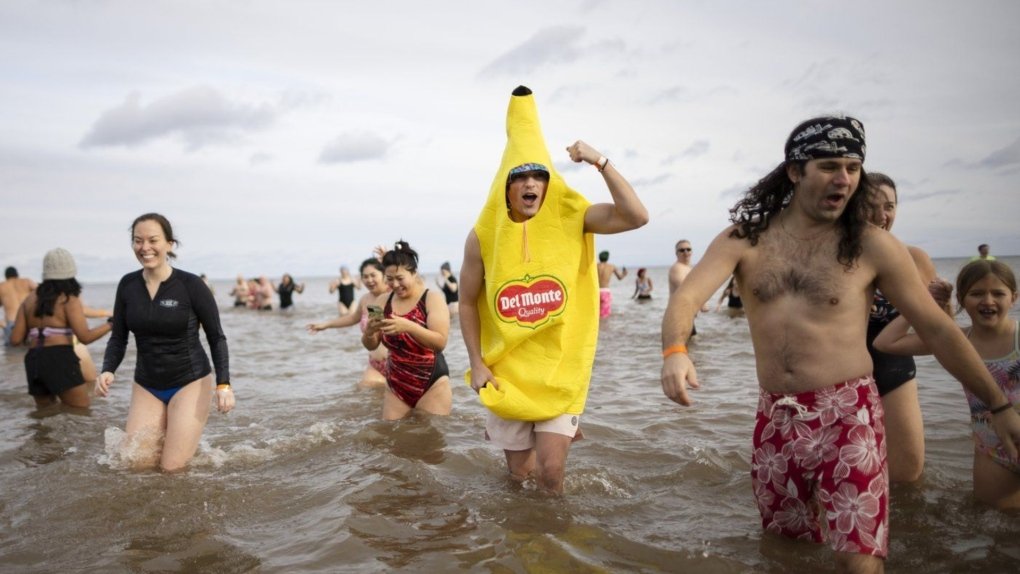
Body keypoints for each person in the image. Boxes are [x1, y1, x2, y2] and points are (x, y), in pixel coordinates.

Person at [659, 115, 1020, 571]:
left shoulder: (871, 246)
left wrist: (998, 406)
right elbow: (687, 297)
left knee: (859, 558)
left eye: (853, 168)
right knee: (785, 546)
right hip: (776, 416)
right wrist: (675, 351)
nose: (844, 179)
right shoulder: (744, 240)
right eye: (830, 166)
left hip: (850, 414)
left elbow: (939, 329)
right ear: (794, 171)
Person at [460, 86, 648, 495]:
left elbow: (636, 216)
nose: (530, 184)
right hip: (508, 375)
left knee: (550, 475)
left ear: (548, 182)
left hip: (560, 370)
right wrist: (476, 362)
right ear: (505, 185)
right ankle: (521, 540)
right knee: (517, 478)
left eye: (538, 176)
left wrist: (600, 161)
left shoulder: (573, 217)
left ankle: (557, 547)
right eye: (521, 176)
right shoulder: (482, 237)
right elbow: (466, 302)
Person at [875, 260, 1019, 509]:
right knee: (995, 527)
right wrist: (926, 303)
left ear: (1014, 298)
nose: (988, 301)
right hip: (991, 450)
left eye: (998, 293)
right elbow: (886, 342)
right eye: (976, 294)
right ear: (962, 300)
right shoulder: (957, 342)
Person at [96, 213, 234, 472]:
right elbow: (118, 336)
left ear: (170, 244)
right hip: (146, 384)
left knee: (171, 469)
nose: (144, 247)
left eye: (152, 240)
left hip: (189, 381)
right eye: (138, 241)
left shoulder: (191, 285)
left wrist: (223, 384)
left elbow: (216, 337)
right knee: (135, 465)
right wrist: (107, 369)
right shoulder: (127, 285)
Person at [863, 172, 941, 483]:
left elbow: (937, 328)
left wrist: (944, 304)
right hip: (839, 374)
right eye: (870, 205)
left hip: (893, 369)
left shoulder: (914, 258)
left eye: (890, 206)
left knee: (907, 477)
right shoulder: (836, 258)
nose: (881, 216)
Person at [9, 248, 112, 409]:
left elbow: (15, 339)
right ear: (71, 272)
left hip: (34, 361)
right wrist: (111, 324)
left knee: (45, 414)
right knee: (81, 412)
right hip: (59, 358)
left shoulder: (29, 299)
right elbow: (85, 337)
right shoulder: (68, 298)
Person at [362, 241, 451, 420]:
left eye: (400, 278)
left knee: (430, 440)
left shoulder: (432, 298)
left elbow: (440, 342)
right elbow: (370, 345)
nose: (395, 284)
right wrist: (369, 332)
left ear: (414, 273)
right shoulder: (380, 301)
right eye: (389, 279)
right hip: (396, 383)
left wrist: (409, 326)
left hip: (431, 382)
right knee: (392, 437)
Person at [308, 257, 391, 388]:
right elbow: (353, 318)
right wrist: (326, 325)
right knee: (364, 395)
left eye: (373, 275)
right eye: (365, 277)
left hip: (397, 365)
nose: (369, 280)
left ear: (384, 274)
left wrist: (388, 258)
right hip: (375, 365)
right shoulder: (366, 299)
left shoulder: (395, 295)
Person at [668, 240, 707, 336]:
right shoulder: (677, 268)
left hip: (686, 316)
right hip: (678, 316)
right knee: (681, 348)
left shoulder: (689, 268)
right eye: (682, 250)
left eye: (688, 249)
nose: (686, 252)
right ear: (676, 253)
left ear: (691, 252)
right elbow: (685, 288)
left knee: (691, 347)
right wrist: (702, 303)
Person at [1, 266, 37, 346]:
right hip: (29, 321)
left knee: (12, 353)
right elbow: (43, 293)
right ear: (17, 275)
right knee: (31, 349)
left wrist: (2, 324)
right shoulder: (27, 282)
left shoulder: (2, 286)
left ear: (6, 277)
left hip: (12, 323)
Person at [596, 251, 628, 318]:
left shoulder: (595, 266)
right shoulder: (612, 266)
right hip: (605, 291)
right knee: (605, 314)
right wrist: (625, 273)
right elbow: (620, 278)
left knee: (596, 313)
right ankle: (605, 327)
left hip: (596, 291)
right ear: (607, 258)